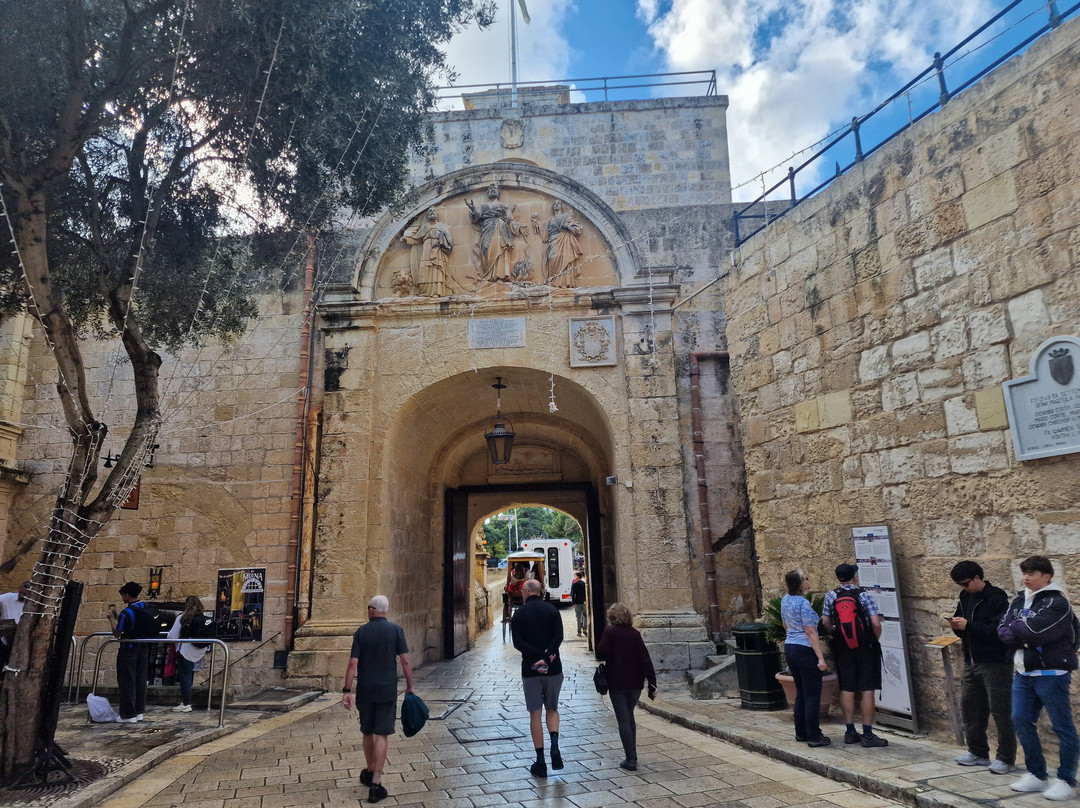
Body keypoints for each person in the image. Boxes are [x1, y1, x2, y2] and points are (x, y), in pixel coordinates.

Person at [998, 555, 1080, 800]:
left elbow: (1034, 631)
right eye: (1024, 573)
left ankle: (1066, 779)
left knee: (1061, 726)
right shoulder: (1020, 599)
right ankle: (1037, 775)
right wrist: (1019, 631)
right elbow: (1002, 629)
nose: (1026, 578)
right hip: (1023, 672)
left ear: (1047, 576)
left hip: (1051, 674)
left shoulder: (1057, 602)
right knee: (1020, 719)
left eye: (1032, 573)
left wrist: (1019, 631)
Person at [341, 595, 413, 805]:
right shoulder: (396, 630)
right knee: (382, 732)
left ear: (372, 609)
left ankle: (369, 768)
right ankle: (376, 783)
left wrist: (347, 689)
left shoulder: (361, 632)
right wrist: (410, 685)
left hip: (365, 689)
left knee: (367, 730)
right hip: (386, 689)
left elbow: (353, 664)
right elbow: (405, 659)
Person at [947, 560, 1015, 774]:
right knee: (971, 708)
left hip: (994, 662)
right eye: (960, 585)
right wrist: (957, 626)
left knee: (1001, 710)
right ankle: (977, 752)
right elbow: (965, 629)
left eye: (966, 583)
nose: (963, 588)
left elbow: (1000, 632)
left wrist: (969, 626)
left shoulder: (996, 598)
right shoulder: (965, 596)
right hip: (972, 661)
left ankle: (1005, 757)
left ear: (978, 578)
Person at [821, 563, 888, 748]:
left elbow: (826, 622)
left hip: (842, 648)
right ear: (854, 576)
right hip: (865, 646)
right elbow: (875, 622)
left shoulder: (831, 595)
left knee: (847, 688)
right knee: (867, 689)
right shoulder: (863, 595)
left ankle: (850, 731)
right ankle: (867, 734)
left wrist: (837, 635)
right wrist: (874, 639)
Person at [511, 578, 564, 777]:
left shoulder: (519, 614)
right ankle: (555, 747)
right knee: (552, 708)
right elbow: (558, 637)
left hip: (531, 670)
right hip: (553, 667)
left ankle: (540, 761)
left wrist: (536, 658)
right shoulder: (552, 611)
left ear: (526, 591)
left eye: (522, 590)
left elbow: (518, 642)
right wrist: (547, 657)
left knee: (535, 713)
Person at [595, 602, 656, 771]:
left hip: (617, 681)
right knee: (629, 716)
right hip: (635, 682)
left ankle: (631, 759)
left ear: (612, 617)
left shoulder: (610, 632)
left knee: (623, 719)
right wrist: (652, 683)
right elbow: (645, 659)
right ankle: (632, 753)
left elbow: (600, 652)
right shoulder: (635, 634)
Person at [781, 570, 831, 748]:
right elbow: (810, 632)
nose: (808, 581)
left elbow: (785, 624)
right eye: (805, 579)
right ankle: (814, 735)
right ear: (801, 584)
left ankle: (801, 732)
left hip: (791, 647)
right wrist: (820, 658)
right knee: (812, 694)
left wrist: (793, 638)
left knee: (801, 693)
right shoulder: (803, 604)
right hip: (805, 649)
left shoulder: (785, 600)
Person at [107, 581, 159, 723]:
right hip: (143, 648)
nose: (122, 598)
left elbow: (118, 633)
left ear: (127, 595)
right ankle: (139, 711)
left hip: (128, 650)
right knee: (140, 679)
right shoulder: (146, 607)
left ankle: (128, 714)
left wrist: (111, 620)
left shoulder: (127, 612)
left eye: (123, 595)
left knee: (127, 680)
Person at [466, 183, 523, 282]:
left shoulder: (504, 205)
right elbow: (475, 219)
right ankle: (489, 276)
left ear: (498, 193)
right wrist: (473, 209)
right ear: (488, 193)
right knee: (486, 250)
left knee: (501, 251)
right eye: (490, 188)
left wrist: (516, 225)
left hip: (501, 230)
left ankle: (500, 276)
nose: (493, 190)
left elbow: (510, 219)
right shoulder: (484, 206)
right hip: (487, 230)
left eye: (495, 188)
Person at [166, 596, 211, 713]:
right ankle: (187, 701)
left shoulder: (182, 618)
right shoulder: (202, 618)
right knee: (189, 675)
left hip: (185, 650)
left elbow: (171, 636)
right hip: (198, 650)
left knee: (185, 676)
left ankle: (186, 703)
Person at [400, 206, 453, 297]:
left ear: (437, 214)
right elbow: (417, 239)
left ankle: (437, 292)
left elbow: (449, 239)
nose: (432, 212)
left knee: (436, 269)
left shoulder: (441, 226)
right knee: (424, 268)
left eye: (434, 211)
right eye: (430, 211)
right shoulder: (425, 227)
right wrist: (407, 240)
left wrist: (442, 242)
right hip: (426, 249)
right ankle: (424, 292)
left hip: (437, 250)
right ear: (428, 214)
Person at [542, 199, 584, 288]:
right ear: (553, 207)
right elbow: (545, 237)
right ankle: (553, 281)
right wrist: (536, 225)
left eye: (558, 204)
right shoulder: (550, 220)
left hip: (565, 240)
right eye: (554, 204)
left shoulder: (566, 217)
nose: (556, 205)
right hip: (553, 240)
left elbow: (577, 229)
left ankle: (564, 283)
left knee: (565, 259)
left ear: (561, 206)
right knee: (552, 258)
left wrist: (567, 227)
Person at [0, 581, 31, 672]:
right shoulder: (8, 598)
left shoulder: (34, 605)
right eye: (20, 592)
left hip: (21, 639)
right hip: (4, 637)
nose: (21, 595)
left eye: (25, 594)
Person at [571, 571, 588, 637]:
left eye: (575, 576)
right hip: (584, 602)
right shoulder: (584, 584)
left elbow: (573, 594)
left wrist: (573, 603)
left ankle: (579, 631)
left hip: (577, 602)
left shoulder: (575, 584)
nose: (574, 577)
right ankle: (585, 628)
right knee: (585, 616)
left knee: (578, 616)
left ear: (578, 576)